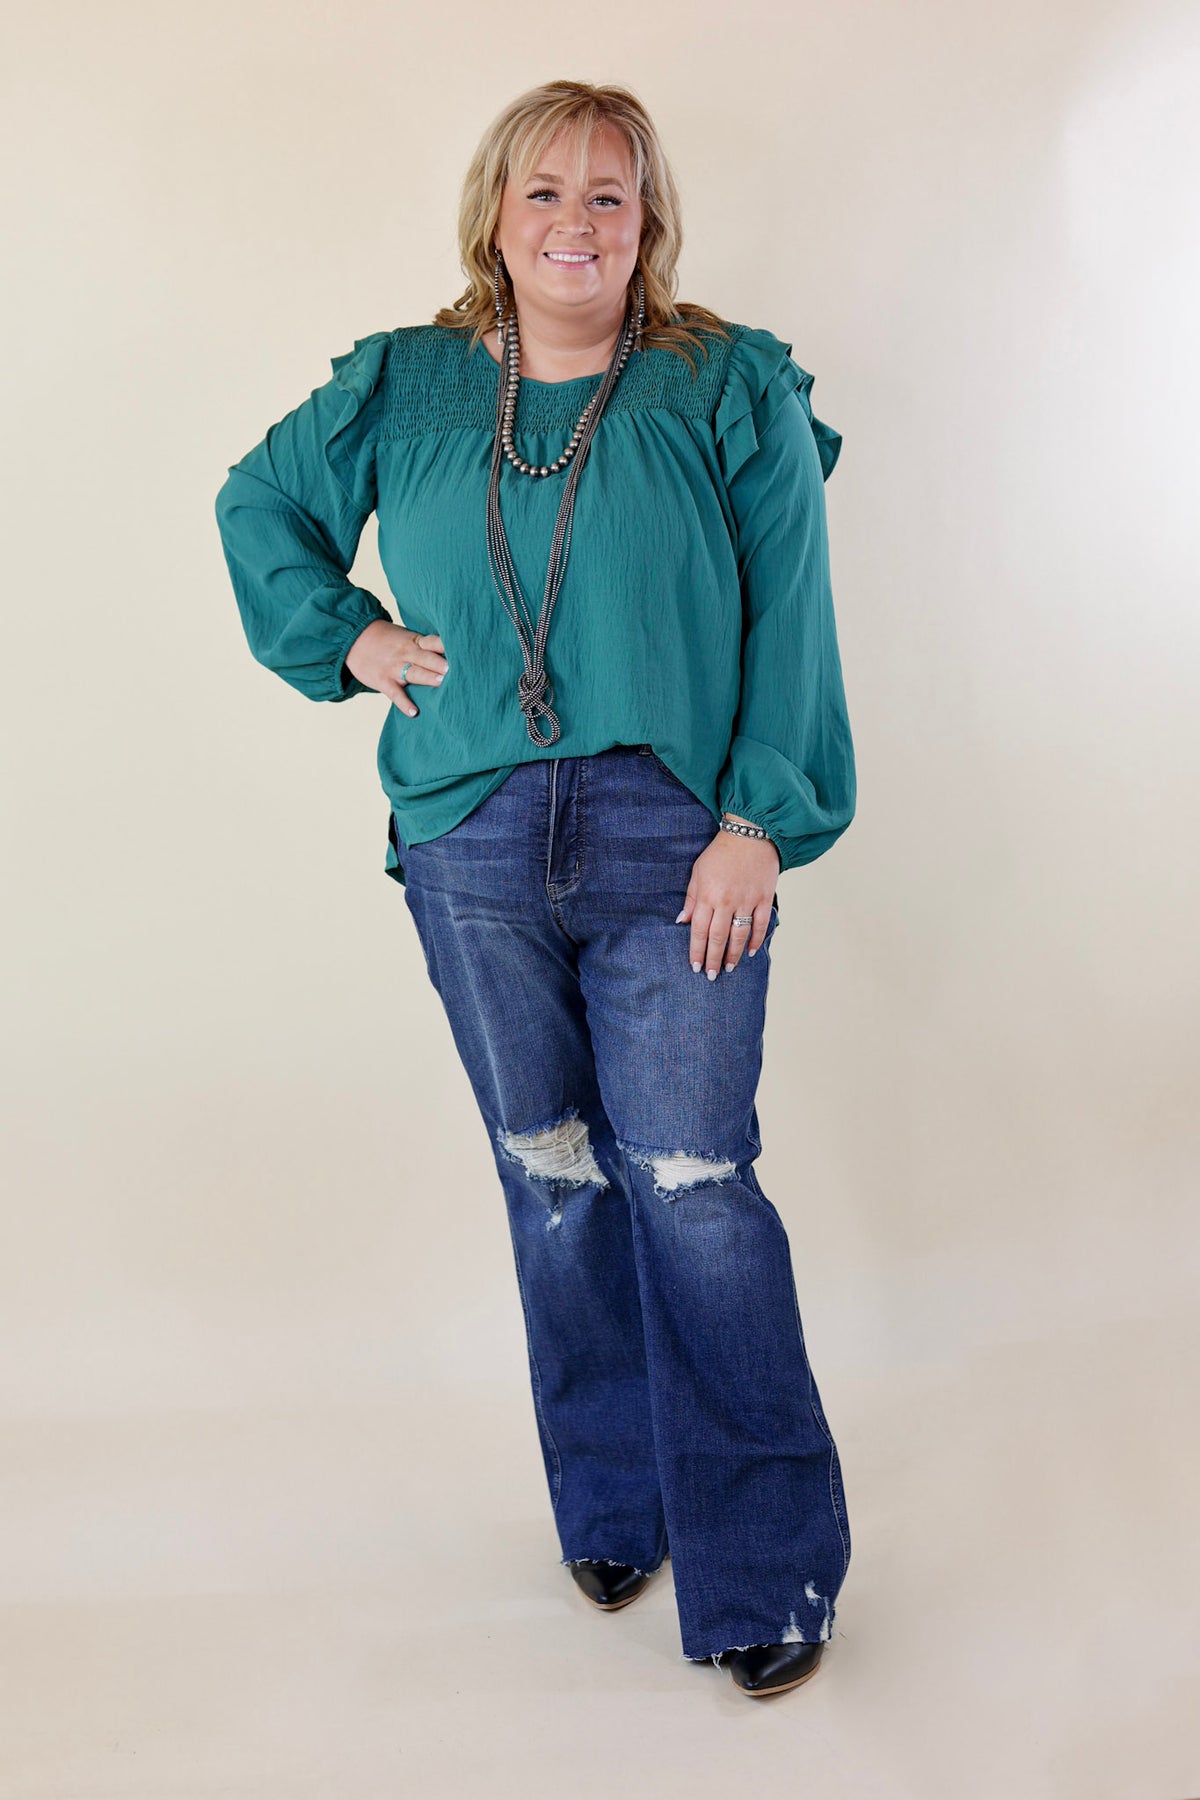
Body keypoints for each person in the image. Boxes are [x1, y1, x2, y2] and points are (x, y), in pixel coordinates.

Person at [214, 78, 856, 1699]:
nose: (577, 223)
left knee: (694, 1183)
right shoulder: (407, 381)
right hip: (472, 840)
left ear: (650, 224)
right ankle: (616, 1502)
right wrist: (350, 638)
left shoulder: (725, 383)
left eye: (609, 196)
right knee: (556, 1175)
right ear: (496, 217)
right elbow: (258, 504)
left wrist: (760, 820)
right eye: (546, 193)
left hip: (676, 844)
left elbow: (793, 606)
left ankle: (767, 1565)